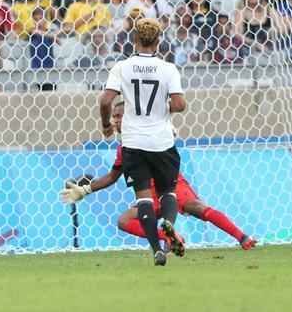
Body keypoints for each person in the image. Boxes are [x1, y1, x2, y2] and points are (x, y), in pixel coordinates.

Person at [64, 99, 256, 249]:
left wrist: (167, 128)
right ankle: (168, 236)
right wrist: (85, 189)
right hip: (148, 194)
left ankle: (242, 237)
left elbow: (166, 127)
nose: (115, 120)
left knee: (198, 209)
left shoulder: (149, 132)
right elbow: (112, 177)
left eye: (119, 115)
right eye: (113, 116)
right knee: (124, 221)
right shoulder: (123, 148)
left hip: (172, 186)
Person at [95, 17, 187, 266]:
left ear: (134, 40)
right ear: (158, 42)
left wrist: (105, 125)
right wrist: (162, 106)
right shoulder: (168, 69)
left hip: (133, 143)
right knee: (168, 191)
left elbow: (105, 101)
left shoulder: (122, 67)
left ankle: (157, 248)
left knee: (143, 198)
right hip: (162, 142)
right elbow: (179, 104)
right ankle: (168, 222)